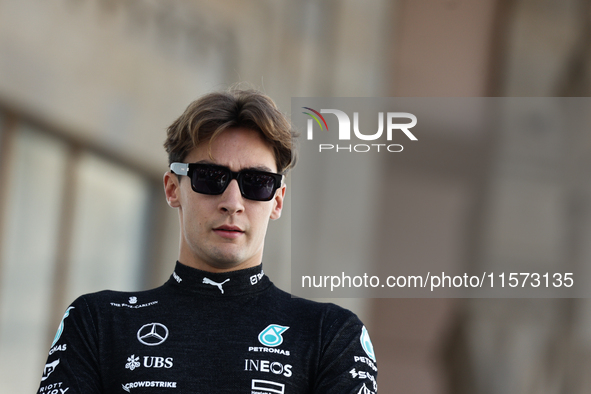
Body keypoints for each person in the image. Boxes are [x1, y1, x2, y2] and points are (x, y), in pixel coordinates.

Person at [37, 88, 378, 393]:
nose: (232, 201)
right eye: (210, 177)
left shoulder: (330, 334)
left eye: (257, 182)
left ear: (277, 200)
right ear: (173, 189)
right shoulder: (98, 322)